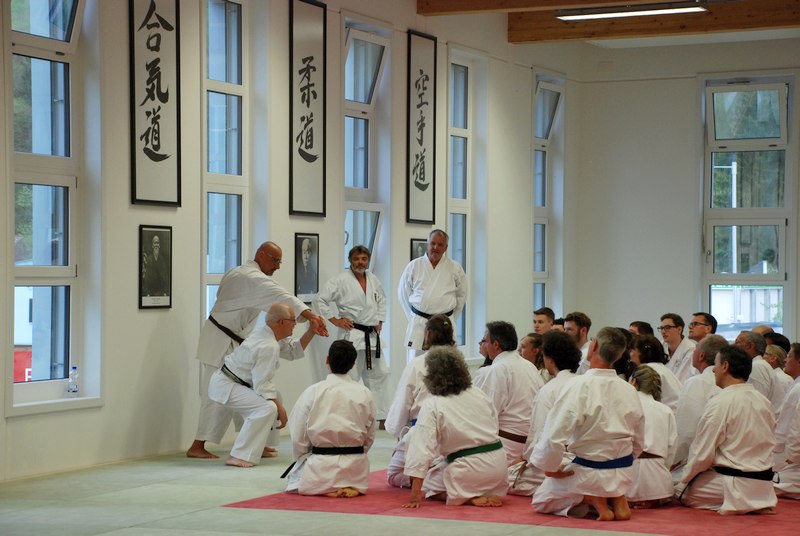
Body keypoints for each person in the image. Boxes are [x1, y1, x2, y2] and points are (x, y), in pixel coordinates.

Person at [187, 241, 327, 459]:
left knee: (250, 395)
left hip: (236, 340)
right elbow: (281, 296)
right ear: (261, 255)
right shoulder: (247, 276)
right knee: (215, 398)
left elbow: (292, 349)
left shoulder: (249, 281)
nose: (277, 266)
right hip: (219, 342)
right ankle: (197, 445)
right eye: (275, 260)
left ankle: (256, 443)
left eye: (280, 262)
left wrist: (310, 326)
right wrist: (310, 315)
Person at [531, 327, 645, 521]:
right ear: (619, 355)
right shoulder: (629, 389)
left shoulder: (579, 385)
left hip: (589, 472)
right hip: (624, 471)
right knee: (606, 474)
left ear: (594, 346)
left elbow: (554, 433)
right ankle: (616, 497)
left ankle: (592, 498)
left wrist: (550, 465)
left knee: (542, 499)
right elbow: (639, 440)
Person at [207, 304, 316, 467]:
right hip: (227, 384)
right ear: (281, 322)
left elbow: (293, 351)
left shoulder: (267, 334)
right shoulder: (268, 345)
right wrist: (281, 410)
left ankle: (260, 446)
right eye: (293, 320)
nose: (295, 324)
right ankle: (238, 455)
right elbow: (262, 385)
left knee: (275, 396)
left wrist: (312, 331)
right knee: (267, 408)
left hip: (236, 382)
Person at [676, 345, 777, 515]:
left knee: (676, 487)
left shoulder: (720, 402)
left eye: (715, 364)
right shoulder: (763, 401)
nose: (713, 370)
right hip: (764, 486)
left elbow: (702, 454)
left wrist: (683, 481)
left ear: (725, 366)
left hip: (730, 486)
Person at [402, 346, 507, 508]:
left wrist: (415, 494)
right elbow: (494, 425)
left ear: (431, 376)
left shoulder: (432, 403)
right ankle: (481, 491)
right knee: (443, 466)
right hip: (499, 467)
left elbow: (422, 449)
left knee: (430, 485)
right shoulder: (478, 393)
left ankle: (468, 497)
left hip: (468, 470)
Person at [285, 340, 376, 497]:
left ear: (327, 360)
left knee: (294, 479)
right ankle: (349, 485)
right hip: (355, 467)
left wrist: (302, 456)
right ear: (353, 364)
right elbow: (370, 436)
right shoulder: (364, 393)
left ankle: (327, 487)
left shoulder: (313, 392)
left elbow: (298, 436)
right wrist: (356, 451)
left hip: (320, 465)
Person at [312, 245, 389, 420]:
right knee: (349, 376)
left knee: (379, 375)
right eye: (356, 259)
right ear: (350, 260)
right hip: (352, 334)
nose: (360, 262)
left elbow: (382, 300)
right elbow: (319, 299)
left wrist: (380, 320)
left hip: (371, 336)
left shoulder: (373, 279)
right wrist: (335, 320)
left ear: (368, 260)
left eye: (364, 259)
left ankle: (380, 415)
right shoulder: (340, 280)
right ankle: (347, 414)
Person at [384, 315, 455, 488]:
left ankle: (428, 481)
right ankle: (438, 475)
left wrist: (399, 434)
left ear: (427, 333)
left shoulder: (417, 364)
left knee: (394, 474)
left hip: (421, 431)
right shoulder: (458, 363)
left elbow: (404, 401)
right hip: (454, 431)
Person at [508, 331, 581, 496]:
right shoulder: (585, 384)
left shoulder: (549, 390)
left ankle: (563, 490)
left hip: (560, 460)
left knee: (505, 479)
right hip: (587, 460)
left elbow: (538, 434)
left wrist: (525, 457)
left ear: (550, 359)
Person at [474, 321, 545, 463]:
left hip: (506, 444)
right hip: (532, 442)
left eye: (485, 341)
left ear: (496, 345)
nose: (483, 345)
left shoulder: (499, 369)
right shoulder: (529, 366)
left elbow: (487, 413)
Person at [397, 229, 467, 360]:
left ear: (446, 247)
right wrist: (414, 316)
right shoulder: (414, 266)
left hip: (445, 323)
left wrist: (450, 317)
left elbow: (461, 296)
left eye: (440, 244)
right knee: (416, 361)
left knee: (446, 361)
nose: (436, 247)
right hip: (420, 323)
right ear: (427, 244)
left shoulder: (455, 268)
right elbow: (403, 294)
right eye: (433, 243)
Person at [672, 334, 728, 477]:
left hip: (705, 464)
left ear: (701, 355)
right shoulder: (730, 381)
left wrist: (672, 461)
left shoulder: (698, 382)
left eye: (695, 349)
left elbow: (687, 432)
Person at [627, 365, 676, 508]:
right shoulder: (665, 410)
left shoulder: (624, 406)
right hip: (658, 483)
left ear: (633, 382)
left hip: (627, 478)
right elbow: (671, 451)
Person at [629, 334, 682, 412]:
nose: (630, 355)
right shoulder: (664, 369)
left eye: (632, 350)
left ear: (642, 353)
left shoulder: (645, 372)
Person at [734, 330, 783, 412]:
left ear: (750, 346)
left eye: (737, 342)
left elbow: (757, 405)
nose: (733, 346)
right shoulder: (758, 365)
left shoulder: (757, 366)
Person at [775, 343, 800, 499]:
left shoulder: (798, 388)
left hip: (791, 458)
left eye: (789, 356)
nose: (785, 360)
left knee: (771, 485)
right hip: (789, 454)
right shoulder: (795, 385)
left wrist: (793, 456)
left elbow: (796, 426)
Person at [659, 313, 696, 383]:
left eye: (667, 328)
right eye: (661, 328)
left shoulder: (690, 349)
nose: (663, 331)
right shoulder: (660, 346)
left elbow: (683, 379)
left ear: (679, 329)